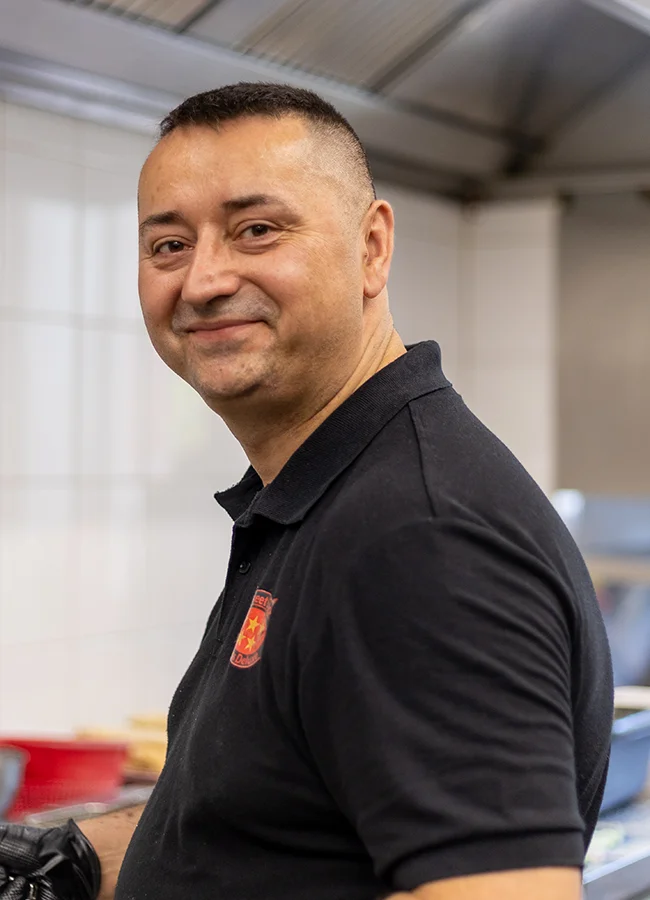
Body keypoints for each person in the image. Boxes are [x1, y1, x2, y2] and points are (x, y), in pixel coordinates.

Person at [0, 82, 613, 900]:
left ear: (372, 247)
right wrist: (72, 864)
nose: (205, 279)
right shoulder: (328, 495)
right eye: (169, 246)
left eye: (257, 230)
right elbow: (278, 829)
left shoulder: (417, 537)